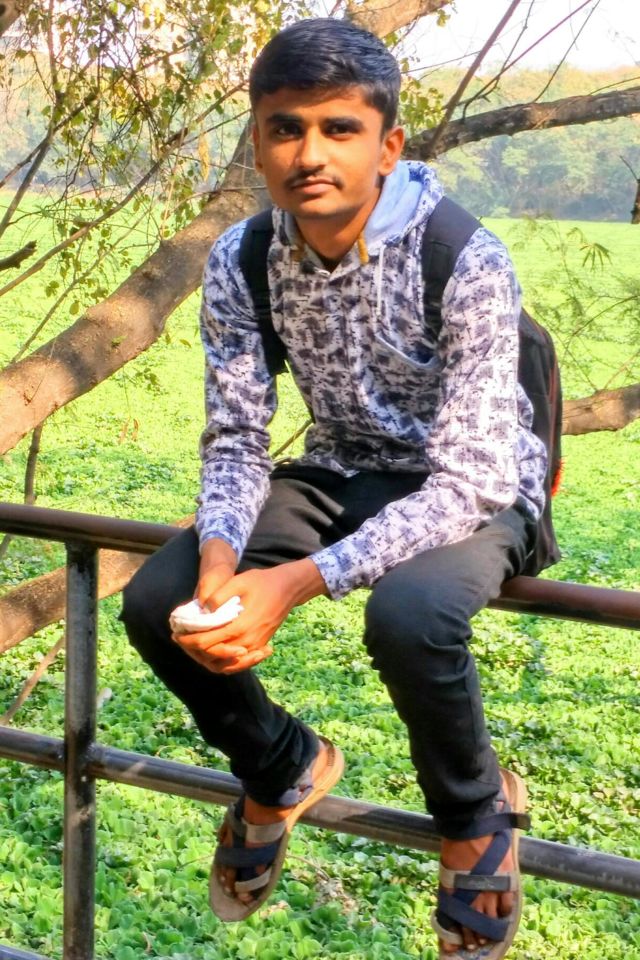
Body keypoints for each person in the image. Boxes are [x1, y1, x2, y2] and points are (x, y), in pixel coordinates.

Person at [121, 17, 545, 959]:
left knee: (411, 615)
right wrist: (223, 560)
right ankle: (281, 765)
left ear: (388, 145)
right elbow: (238, 437)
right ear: (258, 140)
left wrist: (297, 582)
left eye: (339, 128)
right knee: (161, 601)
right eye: (285, 128)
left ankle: (476, 816)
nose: (310, 154)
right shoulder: (241, 260)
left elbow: (471, 477)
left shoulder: (465, 257)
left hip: (473, 488)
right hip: (338, 469)